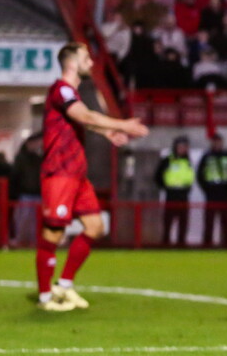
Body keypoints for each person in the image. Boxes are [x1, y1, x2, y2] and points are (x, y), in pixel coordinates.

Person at [37, 42, 148, 311]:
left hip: (76, 173)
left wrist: (106, 133)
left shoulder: (71, 93)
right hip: (60, 172)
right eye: (86, 57)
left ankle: (64, 286)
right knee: (54, 233)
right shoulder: (61, 89)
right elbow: (84, 115)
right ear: (72, 62)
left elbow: (79, 120)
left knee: (95, 227)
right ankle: (45, 297)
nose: (92, 62)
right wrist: (122, 124)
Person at [197, 133, 227, 247]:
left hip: (225, 192)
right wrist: (207, 189)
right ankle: (207, 244)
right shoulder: (207, 156)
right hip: (211, 193)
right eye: (215, 142)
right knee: (209, 221)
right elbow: (200, 175)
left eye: (219, 142)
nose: (217, 144)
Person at [155, 136, 194, 247]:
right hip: (171, 194)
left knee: (183, 221)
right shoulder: (168, 160)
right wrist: (165, 187)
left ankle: (181, 243)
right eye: (181, 146)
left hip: (183, 194)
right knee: (168, 220)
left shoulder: (188, 161)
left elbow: (190, 176)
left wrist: (187, 188)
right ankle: (166, 243)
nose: (183, 149)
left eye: (185, 147)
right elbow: (158, 176)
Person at [10, 135, 43, 246]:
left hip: (38, 194)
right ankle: (21, 240)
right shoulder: (22, 158)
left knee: (36, 221)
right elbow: (15, 176)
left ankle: (34, 241)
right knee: (23, 219)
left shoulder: (41, 158)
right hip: (25, 193)